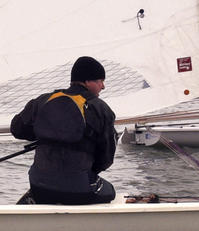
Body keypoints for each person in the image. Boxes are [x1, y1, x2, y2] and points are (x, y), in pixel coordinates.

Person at [10, 56, 118, 205]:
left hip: (38, 184)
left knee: (47, 184)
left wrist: (46, 133)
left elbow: (17, 129)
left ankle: (39, 199)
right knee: (111, 191)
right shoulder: (101, 109)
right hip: (78, 189)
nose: (103, 86)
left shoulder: (43, 100)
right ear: (88, 81)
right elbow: (106, 159)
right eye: (100, 81)